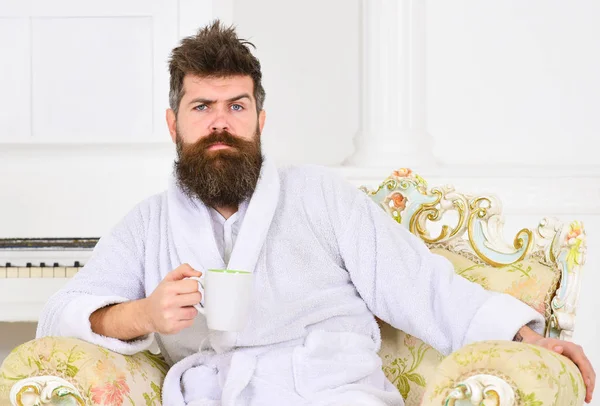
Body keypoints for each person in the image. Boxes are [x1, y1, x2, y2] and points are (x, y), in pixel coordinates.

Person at [37, 20, 595, 406]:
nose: (220, 124)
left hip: (330, 392)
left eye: (237, 106)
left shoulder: (322, 198)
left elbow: (424, 288)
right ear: (172, 123)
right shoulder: (147, 225)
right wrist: (145, 315)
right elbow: (63, 313)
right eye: (201, 107)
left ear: (260, 118)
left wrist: (528, 340)